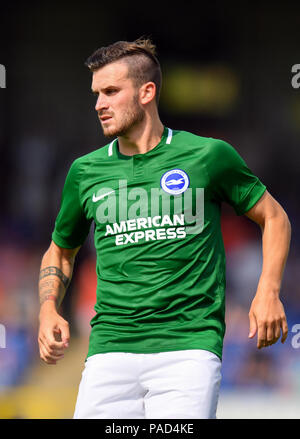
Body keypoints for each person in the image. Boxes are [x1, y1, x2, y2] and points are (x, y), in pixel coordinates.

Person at [38, 38, 291, 419]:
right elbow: (61, 249)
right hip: (109, 350)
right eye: (96, 94)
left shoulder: (208, 155)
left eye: (110, 92)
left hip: (187, 349)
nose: (99, 105)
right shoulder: (84, 171)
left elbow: (274, 217)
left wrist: (268, 291)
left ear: (147, 92)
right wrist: (47, 308)